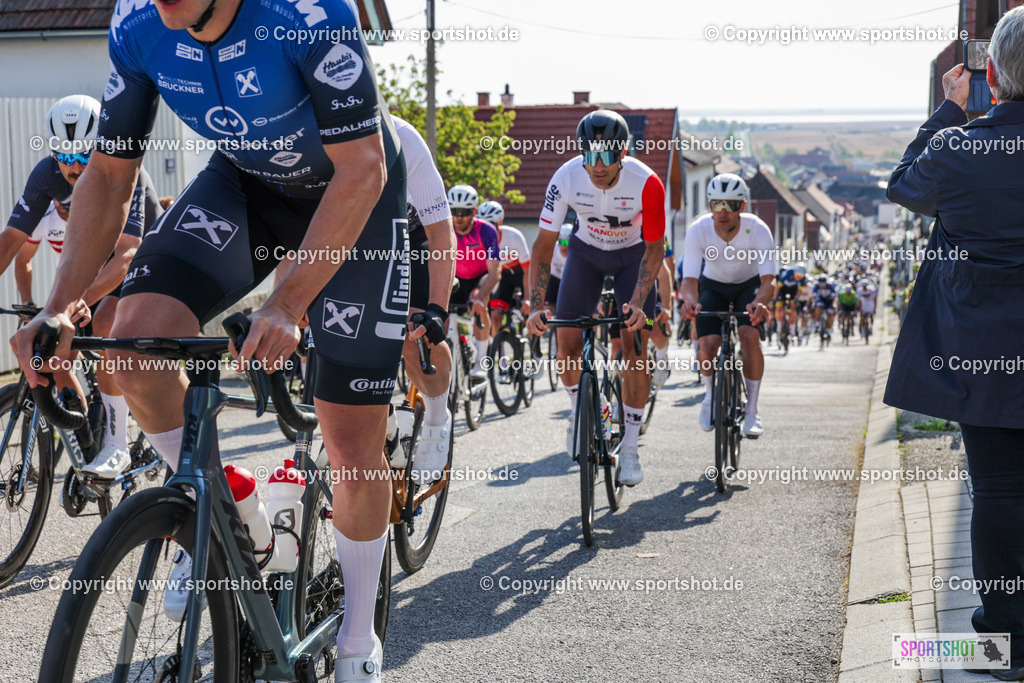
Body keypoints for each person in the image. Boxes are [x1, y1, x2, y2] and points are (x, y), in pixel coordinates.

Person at [10, 0, 405, 678]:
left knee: (349, 437)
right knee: (132, 346)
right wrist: (59, 307)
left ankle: (357, 640)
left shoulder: (310, 15)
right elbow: (110, 172)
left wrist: (288, 302)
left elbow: (364, 168)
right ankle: (233, 515)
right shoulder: (137, 23)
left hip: (351, 196)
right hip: (245, 186)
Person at [884, 9, 1024, 675]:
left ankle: (1003, 639)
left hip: (982, 354)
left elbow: (903, 185)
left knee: (997, 488)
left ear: (991, 74)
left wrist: (947, 110)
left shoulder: (959, 149)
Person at [2, 94, 161, 478]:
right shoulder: (46, 174)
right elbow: (11, 239)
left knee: (105, 323)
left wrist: (74, 302)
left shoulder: (126, 169)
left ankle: (116, 445)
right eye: (64, 155)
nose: (74, 166)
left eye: (83, 155)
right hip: (95, 260)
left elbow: (127, 254)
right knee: (51, 340)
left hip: (145, 258)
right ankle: (87, 434)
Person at [527, 109, 666, 486]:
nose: (598, 165)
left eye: (607, 156)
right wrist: (536, 306)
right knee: (567, 344)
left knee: (635, 349)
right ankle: (581, 410)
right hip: (585, 256)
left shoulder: (647, 183)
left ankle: (631, 447)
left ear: (622, 154)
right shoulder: (566, 177)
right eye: (590, 154)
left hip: (632, 258)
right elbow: (543, 247)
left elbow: (655, 250)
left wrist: (637, 301)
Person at [678, 173, 774, 438]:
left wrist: (760, 303)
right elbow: (689, 280)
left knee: (749, 336)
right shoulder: (698, 230)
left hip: (748, 286)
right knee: (708, 345)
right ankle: (710, 396)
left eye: (730, 205)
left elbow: (769, 280)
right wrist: (690, 301)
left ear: (742, 206)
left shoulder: (757, 229)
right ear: (709, 205)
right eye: (717, 204)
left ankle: (752, 410)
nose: (723, 212)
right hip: (713, 286)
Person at [390, 116, 456, 485]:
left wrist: (436, 311)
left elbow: (441, 232)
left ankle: (436, 418)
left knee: (414, 331)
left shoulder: (403, 138)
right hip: (351, 247)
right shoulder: (304, 140)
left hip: (412, 241)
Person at [447, 184, 501, 380]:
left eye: (465, 212)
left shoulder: (486, 230)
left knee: (479, 306)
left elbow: (495, 271)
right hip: (456, 278)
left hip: (480, 278)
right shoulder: (445, 228)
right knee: (441, 314)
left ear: (474, 212)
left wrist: (481, 294)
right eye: (454, 211)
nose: (459, 217)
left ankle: (481, 361)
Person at [477, 200, 532, 331]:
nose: (486, 229)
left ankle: (532, 342)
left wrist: (527, 298)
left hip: (522, 274)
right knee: (495, 317)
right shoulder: (479, 241)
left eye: (490, 224)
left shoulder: (514, 237)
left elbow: (528, 271)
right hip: (503, 277)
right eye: (482, 225)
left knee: (530, 316)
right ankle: (497, 343)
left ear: (499, 222)